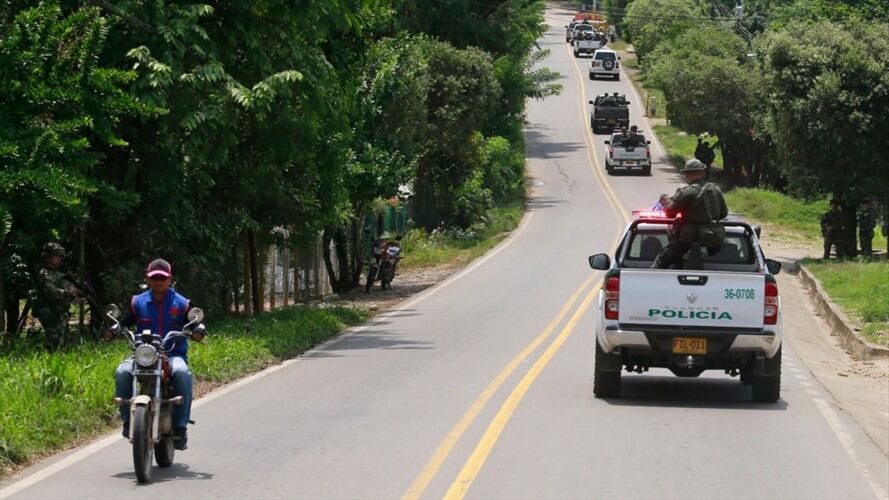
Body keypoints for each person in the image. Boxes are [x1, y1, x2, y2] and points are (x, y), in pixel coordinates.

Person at [107, 258, 203, 450]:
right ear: (148, 279)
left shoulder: (182, 303)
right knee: (122, 372)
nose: (158, 282)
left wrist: (198, 330)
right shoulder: (138, 302)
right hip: (144, 355)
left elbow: (194, 322)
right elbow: (125, 321)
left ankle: (180, 427)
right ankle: (127, 421)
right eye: (154, 278)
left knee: (183, 374)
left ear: (170, 279)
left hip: (172, 354)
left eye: (162, 278)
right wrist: (114, 329)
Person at [652, 159, 728, 269]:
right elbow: (723, 213)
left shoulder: (687, 192)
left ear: (686, 174)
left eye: (686, 174)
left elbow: (669, 213)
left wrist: (668, 200)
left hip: (686, 239)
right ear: (702, 172)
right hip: (714, 239)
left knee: (662, 260)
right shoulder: (715, 190)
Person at [34, 242, 81, 349]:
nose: (59, 258)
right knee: (53, 340)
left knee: (64, 340)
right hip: (49, 311)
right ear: (48, 257)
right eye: (56, 256)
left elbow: (68, 287)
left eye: (60, 256)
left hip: (60, 311)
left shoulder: (59, 274)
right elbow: (50, 291)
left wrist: (76, 293)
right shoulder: (44, 273)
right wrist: (69, 293)